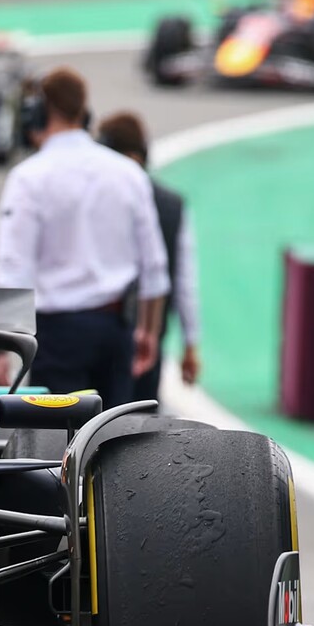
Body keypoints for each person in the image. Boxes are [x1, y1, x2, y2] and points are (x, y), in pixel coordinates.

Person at [0, 68, 168, 408]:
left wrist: (3, 349)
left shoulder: (28, 178)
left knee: (57, 437)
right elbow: (155, 266)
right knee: (114, 436)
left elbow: (13, 270)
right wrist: (148, 331)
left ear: (37, 114)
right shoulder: (128, 173)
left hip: (57, 335)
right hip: (115, 330)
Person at [96, 111, 200, 405]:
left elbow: (181, 279)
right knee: (139, 425)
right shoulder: (172, 205)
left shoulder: (97, 197)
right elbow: (184, 281)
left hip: (108, 334)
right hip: (145, 337)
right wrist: (191, 343)